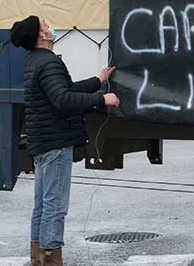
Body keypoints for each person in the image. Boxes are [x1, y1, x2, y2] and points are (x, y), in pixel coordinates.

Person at [11, 15, 119, 266]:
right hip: (55, 142)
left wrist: (98, 81)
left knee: (42, 205)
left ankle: (39, 259)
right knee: (55, 207)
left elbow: (64, 90)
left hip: (44, 140)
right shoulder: (48, 63)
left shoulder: (36, 61)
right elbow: (63, 100)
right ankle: (50, 259)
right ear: (42, 36)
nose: (50, 27)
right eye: (45, 25)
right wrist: (102, 99)